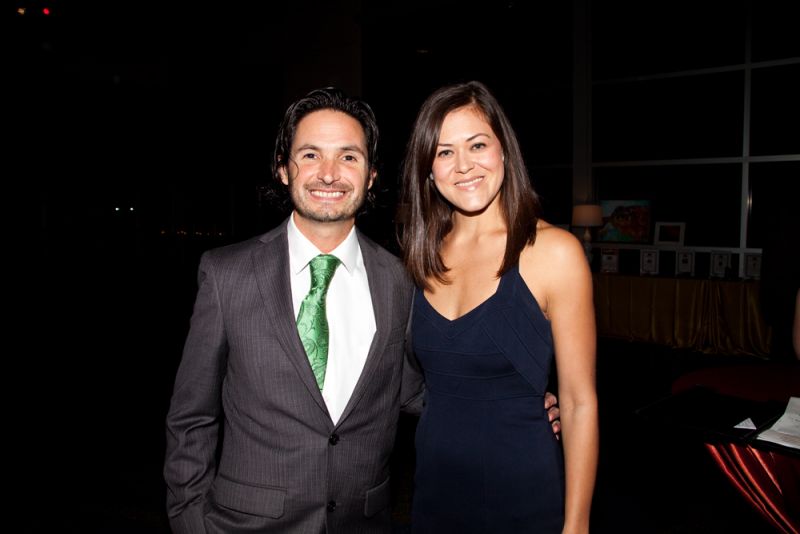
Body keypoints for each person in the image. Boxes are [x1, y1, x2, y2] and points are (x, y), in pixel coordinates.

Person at [164, 87, 561, 533]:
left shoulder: (402, 278)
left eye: (349, 157)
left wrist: (511, 400)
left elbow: (416, 388)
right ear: (283, 169)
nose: (329, 174)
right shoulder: (226, 275)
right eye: (310, 155)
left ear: (371, 175)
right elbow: (191, 418)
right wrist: (190, 521)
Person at [400, 81, 598, 533]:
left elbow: (579, 401)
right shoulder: (419, 255)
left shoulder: (554, 252)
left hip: (524, 497)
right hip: (433, 494)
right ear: (428, 170)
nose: (463, 165)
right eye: (444, 152)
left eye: (477, 145)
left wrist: (577, 525)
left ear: (504, 151)